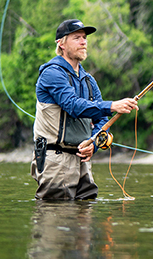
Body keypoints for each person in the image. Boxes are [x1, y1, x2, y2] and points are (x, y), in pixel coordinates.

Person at [31, 18, 137, 200]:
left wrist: (93, 145)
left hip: (82, 160)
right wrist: (112, 106)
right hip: (55, 159)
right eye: (77, 38)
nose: (83, 42)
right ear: (61, 44)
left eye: (85, 38)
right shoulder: (52, 73)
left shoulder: (89, 80)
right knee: (56, 215)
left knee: (85, 216)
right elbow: (73, 105)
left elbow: (102, 120)